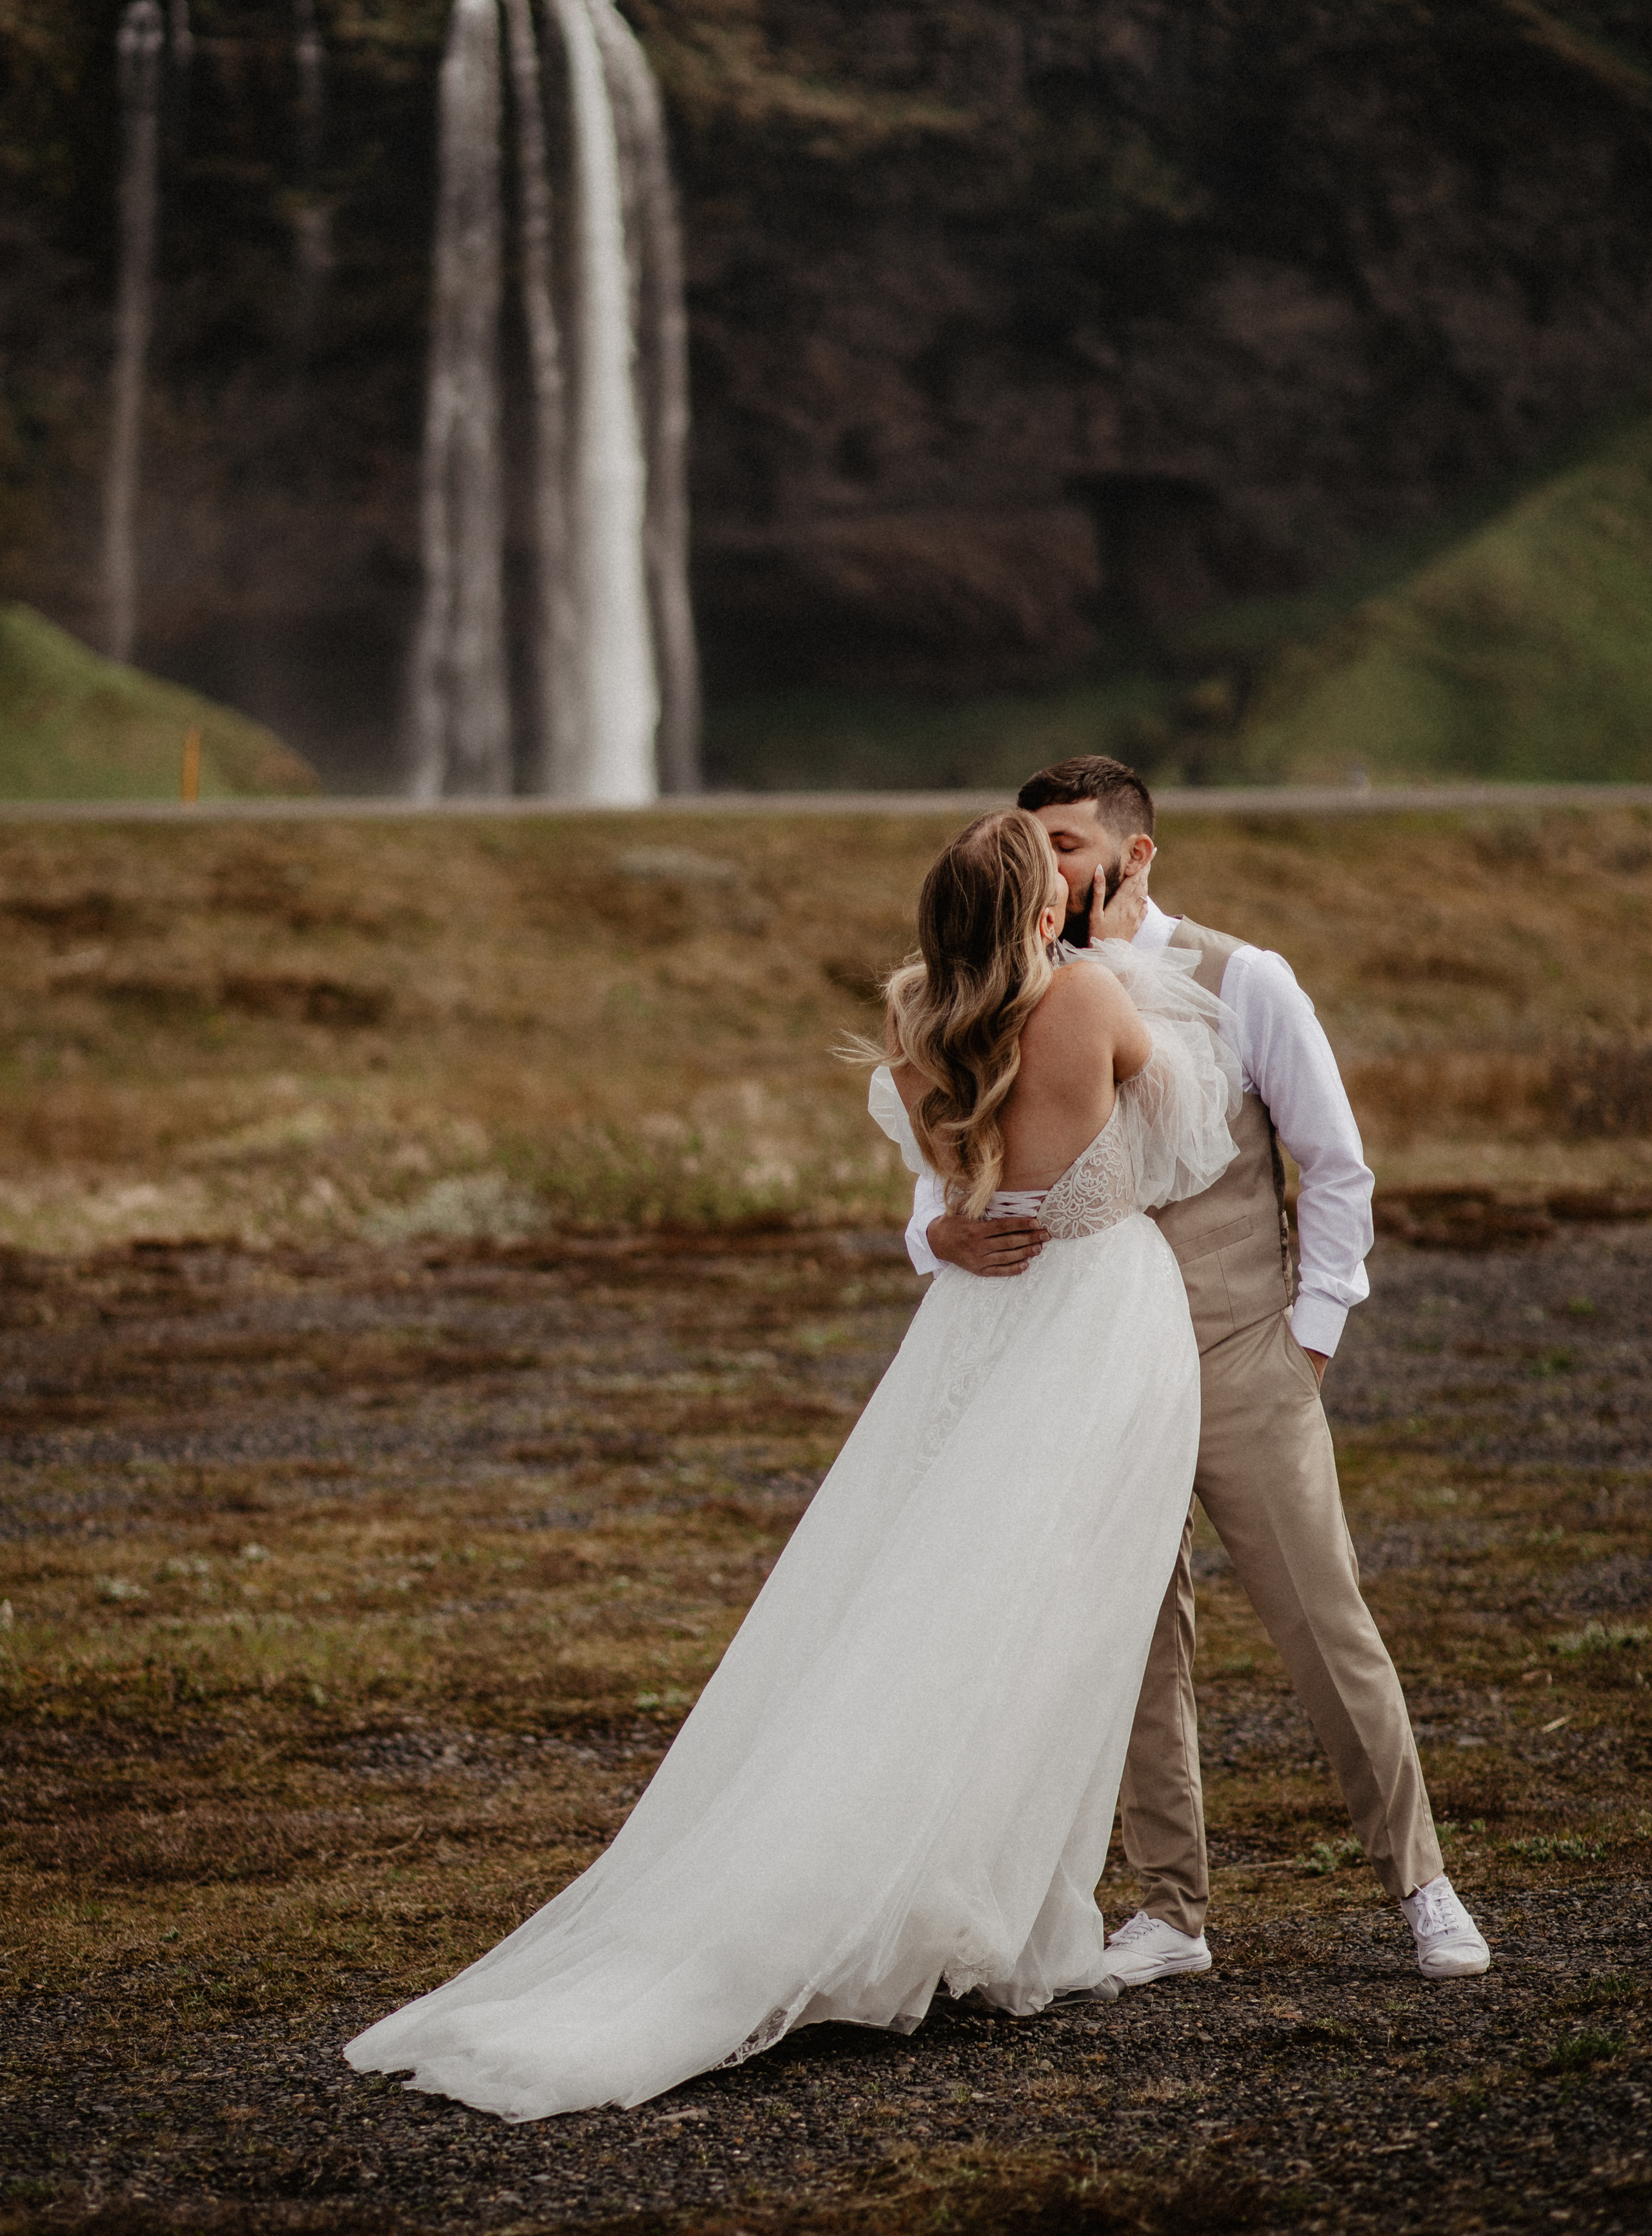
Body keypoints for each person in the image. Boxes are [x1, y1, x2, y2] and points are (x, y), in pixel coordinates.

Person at [345, 808, 1243, 2120]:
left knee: (922, 1598)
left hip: (975, 1321)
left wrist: (952, 1224)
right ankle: (995, 1914)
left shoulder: (916, 1023)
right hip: (1097, 1316)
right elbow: (1188, 1138)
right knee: (1052, 1618)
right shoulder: (1097, 999)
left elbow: (951, 1189)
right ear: (1041, 914)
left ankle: (942, 1893)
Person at [909, 755, 1489, 1986]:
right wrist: (935, 1235)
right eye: (1033, 845)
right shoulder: (1016, 988)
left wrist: (1314, 1331)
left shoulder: (1247, 979)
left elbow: (1336, 1166)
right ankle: (1171, 1911)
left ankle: (1425, 1885)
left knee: (1324, 1625)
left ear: (1136, 854)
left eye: (1068, 844)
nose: (1047, 868)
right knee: (1131, 1642)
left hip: (1241, 1353)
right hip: (1084, 1361)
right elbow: (955, 1164)